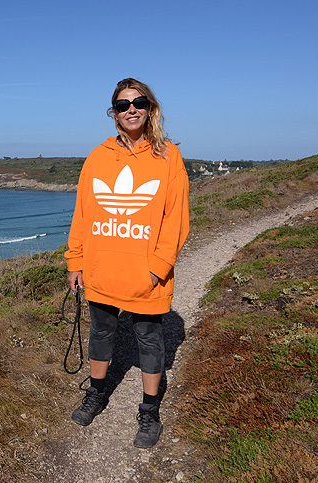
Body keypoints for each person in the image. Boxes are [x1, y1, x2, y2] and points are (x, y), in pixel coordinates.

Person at [65, 78, 189, 448]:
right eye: (122, 104)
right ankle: (97, 393)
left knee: (148, 338)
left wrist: (157, 267)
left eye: (138, 102)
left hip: (145, 274)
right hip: (102, 270)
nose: (131, 109)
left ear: (150, 108)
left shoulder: (168, 157)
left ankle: (149, 411)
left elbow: (176, 220)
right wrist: (76, 262)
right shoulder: (98, 156)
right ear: (114, 113)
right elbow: (83, 215)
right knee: (101, 333)